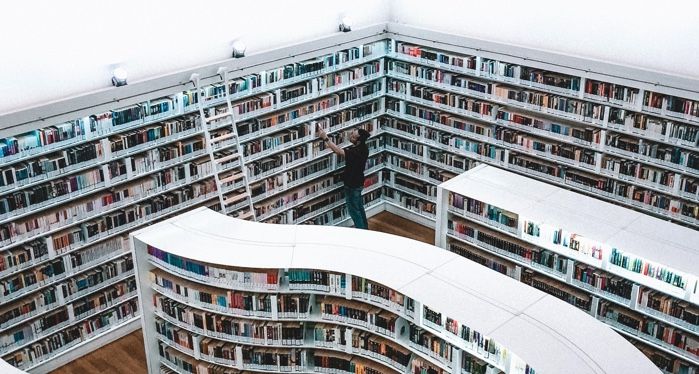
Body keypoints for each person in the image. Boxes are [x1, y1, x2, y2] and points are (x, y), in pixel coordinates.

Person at [316, 124, 370, 229]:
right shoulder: (364, 148)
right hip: (359, 182)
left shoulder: (355, 152)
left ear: (358, 141)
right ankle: (365, 229)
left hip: (352, 184)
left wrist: (325, 138)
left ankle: (361, 232)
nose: (350, 137)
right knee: (359, 207)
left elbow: (338, 151)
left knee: (354, 211)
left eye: (353, 136)